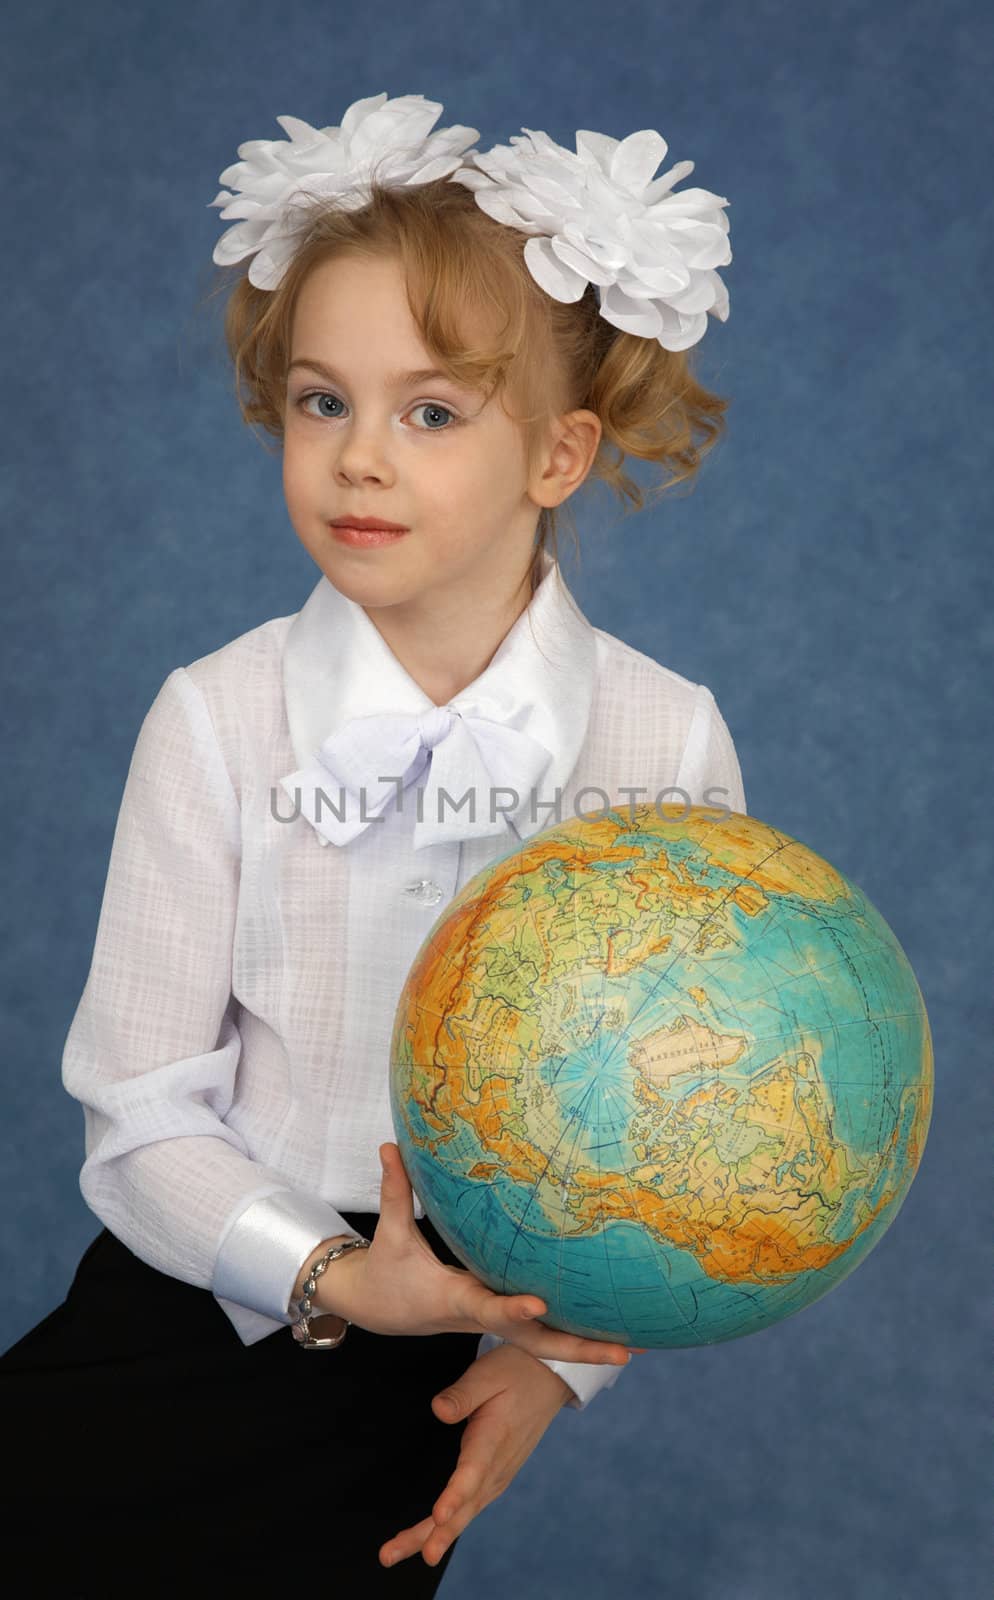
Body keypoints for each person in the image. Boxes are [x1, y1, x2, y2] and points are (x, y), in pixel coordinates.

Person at [0, 93, 745, 1592]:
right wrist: (337, 1279)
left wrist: (557, 1369)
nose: (356, 457)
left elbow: (690, 1145)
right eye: (322, 400)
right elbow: (139, 1115)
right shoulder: (217, 719)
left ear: (557, 454)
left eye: (431, 411)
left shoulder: (663, 746)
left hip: (408, 1416)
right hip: (189, 1334)